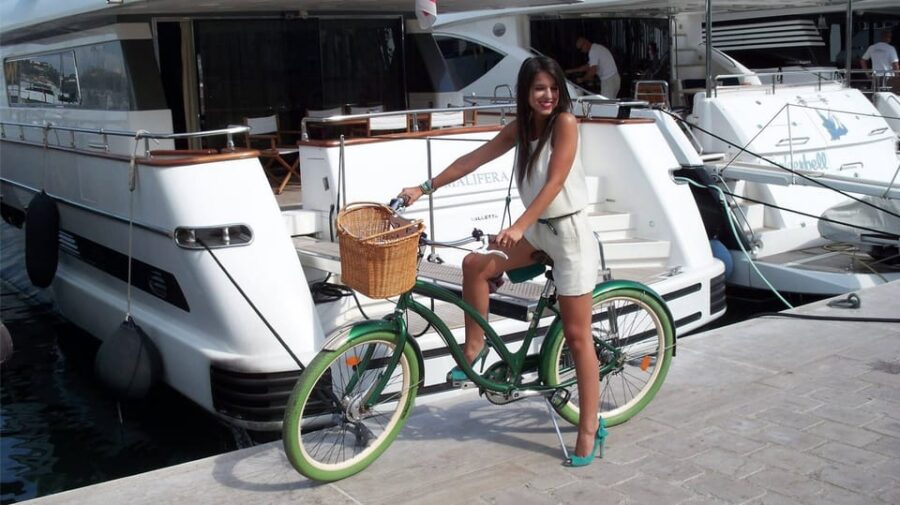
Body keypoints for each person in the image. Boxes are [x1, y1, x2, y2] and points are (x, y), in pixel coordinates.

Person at [398, 56, 604, 466]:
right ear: (525, 94)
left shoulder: (565, 124)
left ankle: (590, 427)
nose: (547, 96)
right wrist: (422, 188)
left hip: (569, 236)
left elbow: (555, 182)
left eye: (553, 88)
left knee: (578, 337)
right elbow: (471, 160)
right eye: (538, 89)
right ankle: (473, 349)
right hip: (538, 232)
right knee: (475, 265)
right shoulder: (523, 129)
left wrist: (517, 226)